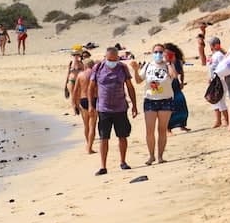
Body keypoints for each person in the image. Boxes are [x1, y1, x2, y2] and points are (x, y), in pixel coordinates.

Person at [88, 47, 138, 176]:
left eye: (114, 59)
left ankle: (123, 161)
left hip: (120, 107)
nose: (112, 62)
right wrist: (91, 106)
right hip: (103, 108)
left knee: (122, 136)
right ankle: (103, 166)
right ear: (105, 57)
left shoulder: (122, 68)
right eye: (109, 59)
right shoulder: (98, 68)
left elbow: (130, 86)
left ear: (118, 58)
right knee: (104, 137)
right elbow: (91, 87)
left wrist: (134, 105)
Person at [131, 44, 178, 165]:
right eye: (156, 51)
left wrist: (168, 63)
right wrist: (135, 70)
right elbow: (138, 81)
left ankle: (160, 156)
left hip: (165, 100)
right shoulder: (148, 65)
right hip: (150, 100)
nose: (158, 54)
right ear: (152, 52)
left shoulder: (168, 65)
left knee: (162, 129)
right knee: (149, 130)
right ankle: (151, 156)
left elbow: (174, 76)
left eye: (161, 51)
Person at [72, 58, 98, 154]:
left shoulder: (80, 75)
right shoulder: (95, 74)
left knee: (86, 125)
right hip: (94, 100)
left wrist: (74, 103)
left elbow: (75, 91)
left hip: (83, 100)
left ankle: (88, 144)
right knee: (92, 126)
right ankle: (89, 147)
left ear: (85, 65)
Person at [165, 43, 190, 133]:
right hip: (167, 86)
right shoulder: (165, 63)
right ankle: (168, 128)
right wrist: (169, 63)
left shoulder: (178, 61)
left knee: (182, 104)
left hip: (176, 85)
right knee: (169, 107)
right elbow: (171, 74)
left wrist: (182, 82)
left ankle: (182, 125)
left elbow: (181, 73)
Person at [208, 37, 229, 128]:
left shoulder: (219, 55)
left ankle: (227, 120)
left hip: (220, 80)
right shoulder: (213, 56)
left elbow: (224, 67)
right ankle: (218, 120)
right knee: (214, 100)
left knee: (220, 100)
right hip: (213, 81)